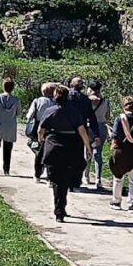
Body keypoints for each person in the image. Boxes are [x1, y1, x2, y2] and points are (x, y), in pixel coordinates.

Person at [38, 86, 93, 222]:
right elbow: (82, 131)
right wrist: (88, 147)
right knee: (66, 178)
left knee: (56, 180)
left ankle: (59, 210)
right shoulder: (74, 112)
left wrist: (42, 140)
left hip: (54, 146)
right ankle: (62, 206)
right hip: (71, 146)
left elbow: (41, 130)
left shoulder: (50, 111)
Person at [0, 78, 22, 176]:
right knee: (8, 147)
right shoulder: (16, 100)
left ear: (3, 87)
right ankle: (6, 169)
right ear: (13, 88)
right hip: (10, 126)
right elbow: (19, 113)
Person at [68, 77, 99, 187]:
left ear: (71, 84)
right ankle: (76, 180)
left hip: (66, 129)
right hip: (81, 131)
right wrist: (96, 134)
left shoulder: (66, 96)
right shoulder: (85, 99)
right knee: (78, 155)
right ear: (82, 87)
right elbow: (91, 117)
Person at [25, 82, 57, 181]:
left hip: (38, 129)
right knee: (50, 153)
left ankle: (37, 174)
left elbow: (29, 116)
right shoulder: (56, 102)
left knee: (38, 151)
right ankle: (49, 176)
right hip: (52, 129)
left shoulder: (37, 101)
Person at [87, 80, 111, 190]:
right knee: (98, 152)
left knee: (87, 151)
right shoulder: (105, 101)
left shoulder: (87, 101)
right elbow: (107, 117)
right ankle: (98, 178)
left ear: (90, 89)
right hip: (102, 127)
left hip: (89, 126)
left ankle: (86, 175)